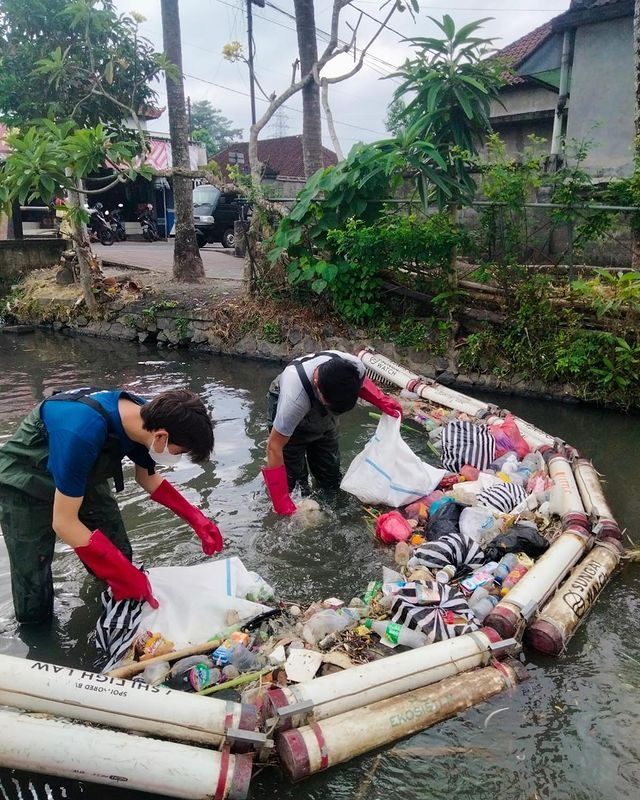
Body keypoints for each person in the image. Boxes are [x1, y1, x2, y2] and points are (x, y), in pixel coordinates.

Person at [0, 387, 221, 625]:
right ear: (162, 437)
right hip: (25, 483)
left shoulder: (150, 419)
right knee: (33, 580)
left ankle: (110, 611)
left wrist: (196, 519)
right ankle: (39, 642)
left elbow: (146, 477)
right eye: (180, 452)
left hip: (83, 476)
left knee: (119, 552)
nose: (176, 457)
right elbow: (64, 522)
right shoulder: (81, 431)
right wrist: (126, 576)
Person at [262, 350, 402, 514]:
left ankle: (328, 501)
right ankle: (294, 494)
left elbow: (362, 384)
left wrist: (382, 401)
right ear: (318, 388)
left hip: (329, 396)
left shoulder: (354, 367)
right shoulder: (293, 400)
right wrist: (281, 502)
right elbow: (274, 446)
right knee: (294, 482)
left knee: (331, 477)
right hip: (288, 396)